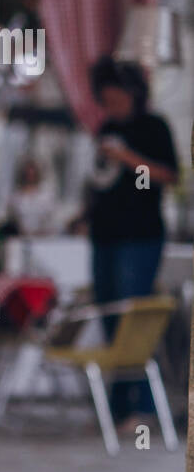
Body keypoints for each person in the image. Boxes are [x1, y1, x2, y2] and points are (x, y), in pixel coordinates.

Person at [85, 55, 179, 432]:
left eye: (117, 99)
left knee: (132, 319)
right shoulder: (105, 128)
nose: (112, 107)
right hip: (104, 234)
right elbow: (100, 181)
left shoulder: (154, 127)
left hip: (140, 237)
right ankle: (117, 409)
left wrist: (127, 159)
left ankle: (140, 408)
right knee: (108, 318)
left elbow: (167, 175)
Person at [8, 157, 60, 237]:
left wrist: (42, 231)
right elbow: (12, 218)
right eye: (27, 174)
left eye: (32, 174)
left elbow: (51, 217)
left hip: (43, 236)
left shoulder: (46, 195)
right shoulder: (16, 196)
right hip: (21, 236)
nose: (30, 176)